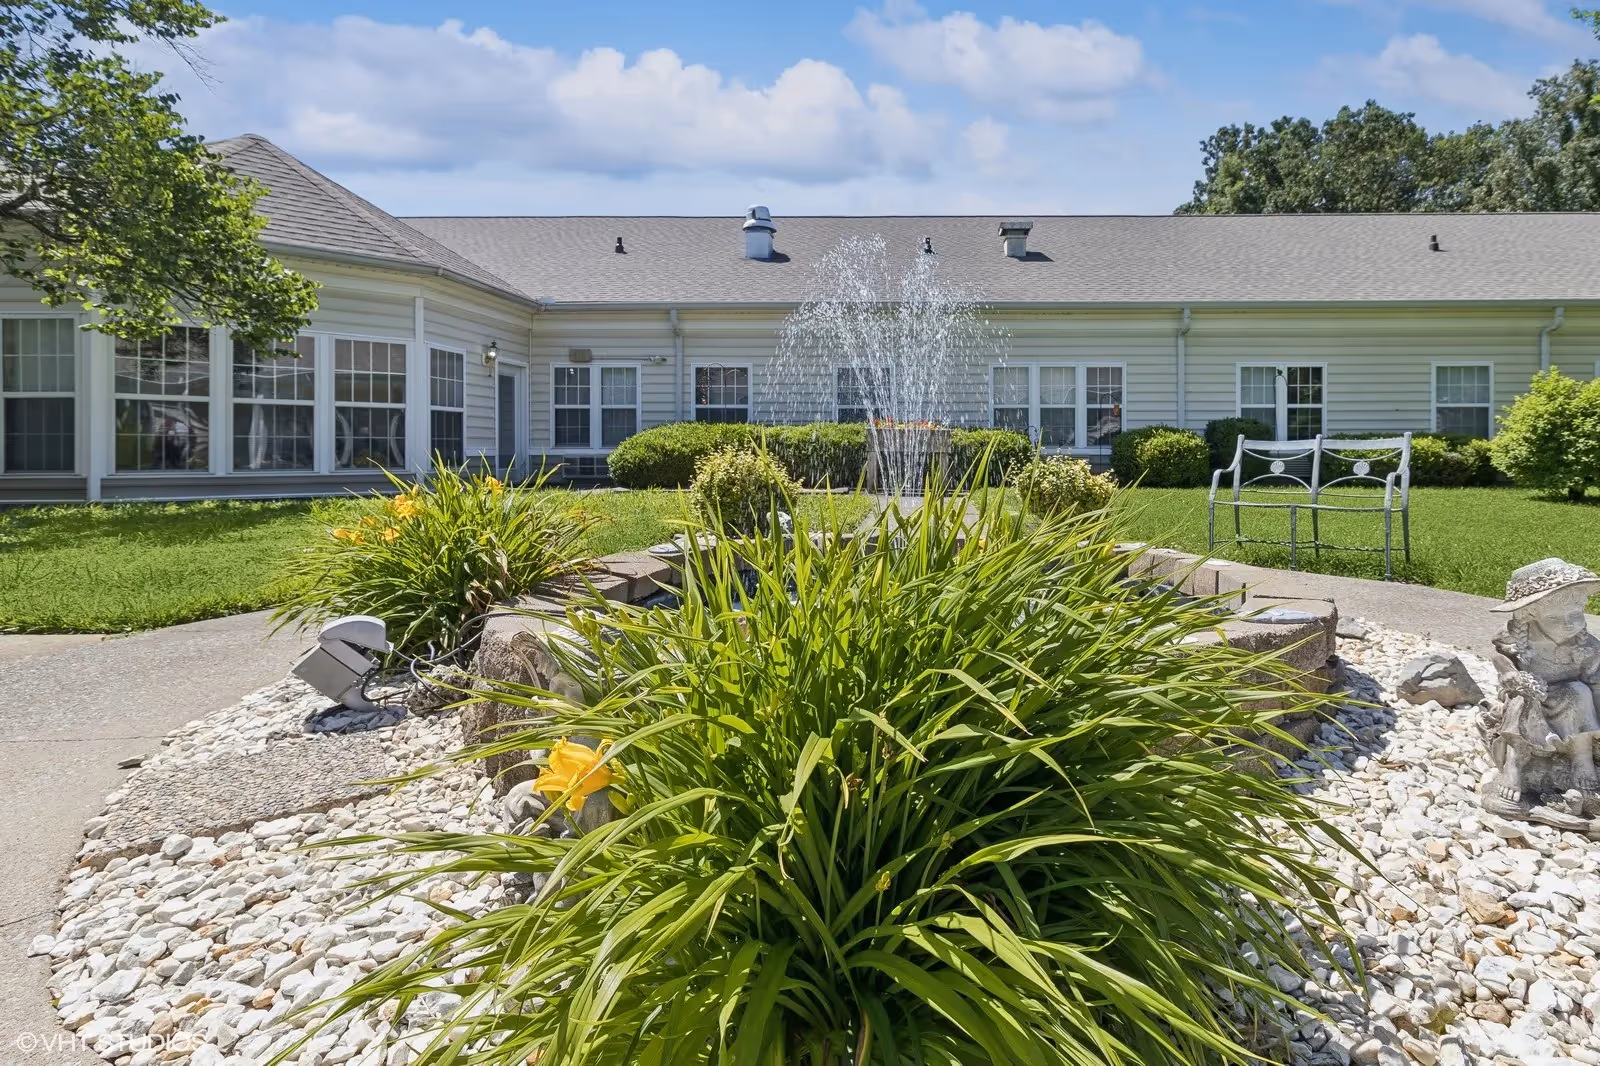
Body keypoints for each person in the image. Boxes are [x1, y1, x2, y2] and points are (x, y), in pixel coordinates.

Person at [1484, 558, 1600, 802]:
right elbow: (1499, 658)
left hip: (1572, 701)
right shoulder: (1515, 637)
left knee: (1581, 692)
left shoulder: (1586, 647)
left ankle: (1582, 758)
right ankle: (1515, 761)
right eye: (1554, 618)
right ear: (1531, 615)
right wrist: (1508, 672)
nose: (1569, 624)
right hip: (1531, 695)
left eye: (1575, 614)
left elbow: (1597, 685)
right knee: (1522, 700)